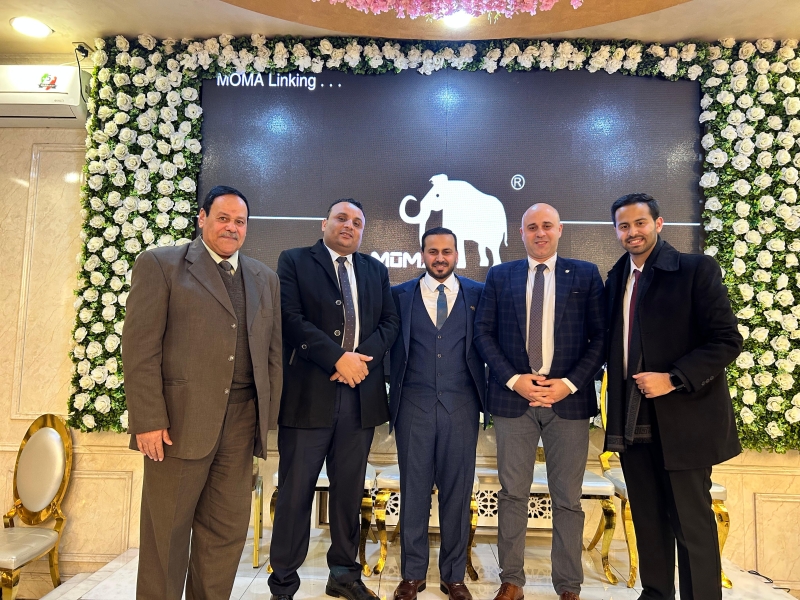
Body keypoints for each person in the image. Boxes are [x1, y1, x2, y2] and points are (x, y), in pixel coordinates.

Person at [122, 185, 283, 600]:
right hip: (178, 426)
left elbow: (272, 355)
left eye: (240, 221)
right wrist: (148, 420)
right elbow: (140, 348)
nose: (232, 227)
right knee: (166, 538)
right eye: (223, 218)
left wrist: (264, 421)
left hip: (241, 424)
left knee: (225, 536)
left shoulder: (265, 278)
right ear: (202, 218)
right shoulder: (161, 265)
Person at [604, 193, 742, 600]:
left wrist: (674, 378)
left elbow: (727, 340)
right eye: (624, 226)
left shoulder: (695, 270)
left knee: (691, 524)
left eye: (640, 223)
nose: (632, 232)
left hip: (685, 421)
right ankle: (655, 594)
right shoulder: (616, 279)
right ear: (616, 231)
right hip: (632, 423)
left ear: (658, 224)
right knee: (648, 522)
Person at [268, 199, 400, 600]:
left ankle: (343, 575)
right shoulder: (294, 261)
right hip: (307, 398)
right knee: (295, 495)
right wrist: (337, 358)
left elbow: (390, 323)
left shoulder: (375, 270)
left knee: (348, 495)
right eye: (342, 218)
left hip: (359, 400)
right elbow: (290, 318)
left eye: (357, 222)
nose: (349, 226)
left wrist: (359, 361)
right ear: (323, 223)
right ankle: (283, 583)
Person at [474, 203, 605, 600]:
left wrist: (570, 383)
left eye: (547, 225)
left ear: (560, 229)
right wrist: (515, 380)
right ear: (521, 233)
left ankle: (568, 585)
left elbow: (601, 338)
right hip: (514, 402)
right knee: (513, 493)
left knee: (568, 498)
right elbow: (483, 334)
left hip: (568, 403)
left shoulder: (586, 274)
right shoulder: (500, 275)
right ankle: (512, 580)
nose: (540, 233)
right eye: (532, 227)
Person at [388, 227, 486, 600]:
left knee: (457, 494)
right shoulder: (400, 295)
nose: (440, 257)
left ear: (457, 254)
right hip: (413, 406)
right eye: (433, 251)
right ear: (422, 254)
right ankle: (412, 575)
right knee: (413, 492)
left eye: (447, 251)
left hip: (462, 407)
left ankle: (453, 576)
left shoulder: (478, 294)